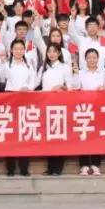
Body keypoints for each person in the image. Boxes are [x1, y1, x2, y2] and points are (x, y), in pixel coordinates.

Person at [1, 39, 40, 177]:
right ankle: (10, 168)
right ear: (11, 51)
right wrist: (2, 63)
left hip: (25, 100)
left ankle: (24, 168)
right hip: (10, 99)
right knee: (10, 135)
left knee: (24, 134)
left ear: (24, 51)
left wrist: (27, 88)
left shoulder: (29, 65)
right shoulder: (7, 64)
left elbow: (33, 82)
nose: (18, 51)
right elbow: (3, 79)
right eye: (15, 49)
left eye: (21, 49)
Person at [73, 48, 105, 175]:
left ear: (98, 59)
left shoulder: (102, 73)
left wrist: (104, 88)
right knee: (83, 136)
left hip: (98, 108)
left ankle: (96, 164)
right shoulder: (81, 73)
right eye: (89, 57)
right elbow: (75, 87)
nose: (92, 60)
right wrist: (76, 74)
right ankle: (84, 165)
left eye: (94, 57)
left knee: (97, 137)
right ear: (85, 59)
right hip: (83, 109)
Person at [40, 43, 71, 176]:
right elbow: (36, 84)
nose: (51, 54)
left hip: (60, 105)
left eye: (54, 51)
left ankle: (58, 167)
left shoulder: (65, 67)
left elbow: (70, 86)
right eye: (49, 51)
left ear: (59, 53)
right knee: (49, 136)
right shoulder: (43, 68)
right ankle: (50, 166)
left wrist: (61, 87)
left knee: (58, 136)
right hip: (45, 105)